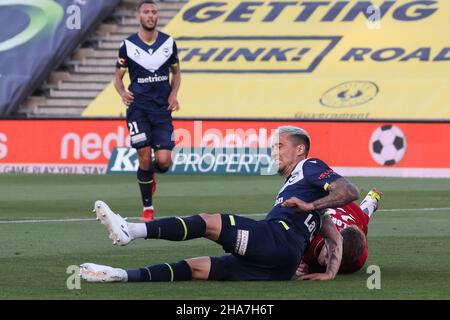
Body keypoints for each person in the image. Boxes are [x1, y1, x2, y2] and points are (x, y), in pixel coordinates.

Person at [80, 126, 360, 283]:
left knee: (208, 222)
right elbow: (332, 233)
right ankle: (121, 275)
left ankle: (130, 230)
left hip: (276, 239)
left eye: (279, 146)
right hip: (281, 267)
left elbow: (349, 190)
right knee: (196, 268)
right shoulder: (302, 189)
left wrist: (310, 207)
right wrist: (330, 272)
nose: (273, 151)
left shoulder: (309, 166)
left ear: (299, 149)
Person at [114, 0, 181, 221]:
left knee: (163, 161)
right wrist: (123, 92)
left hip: (162, 110)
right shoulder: (128, 45)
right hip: (138, 110)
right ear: (138, 17)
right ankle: (148, 209)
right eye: (146, 12)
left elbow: (176, 73)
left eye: (153, 12)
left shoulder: (168, 43)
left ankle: (149, 175)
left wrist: (173, 95)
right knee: (143, 156)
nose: (151, 15)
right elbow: (117, 77)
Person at [284, 189, 382, 276]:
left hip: (352, 212)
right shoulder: (310, 233)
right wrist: (295, 261)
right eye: (329, 254)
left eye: (337, 259)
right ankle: (372, 199)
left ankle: (372, 198)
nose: (327, 263)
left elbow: (363, 220)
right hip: (332, 201)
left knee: (362, 220)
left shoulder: (358, 260)